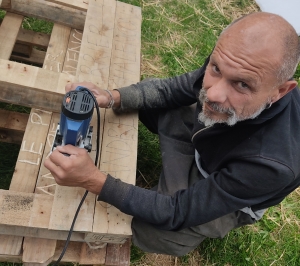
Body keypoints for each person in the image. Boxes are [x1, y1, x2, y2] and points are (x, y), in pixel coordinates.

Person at [44, 12, 300, 256]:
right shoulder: (233, 62)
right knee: (145, 99)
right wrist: (112, 97)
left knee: (153, 231)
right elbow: (176, 89)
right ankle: (183, 161)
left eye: (242, 85)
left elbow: (176, 211)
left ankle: (183, 186)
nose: (212, 94)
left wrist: (93, 180)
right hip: (215, 139)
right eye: (216, 69)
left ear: (280, 92)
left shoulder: (272, 165)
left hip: (228, 182)